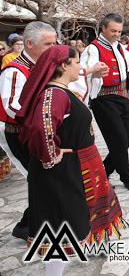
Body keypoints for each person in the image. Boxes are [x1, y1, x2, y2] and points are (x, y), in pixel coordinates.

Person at [16, 45, 126, 276]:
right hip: (61, 172)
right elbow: (41, 127)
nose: (80, 67)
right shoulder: (54, 94)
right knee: (59, 223)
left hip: (79, 165)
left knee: (72, 219)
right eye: (77, 62)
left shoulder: (61, 91)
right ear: (64, 66)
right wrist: (51, 156)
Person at [71, 13, 129, 192]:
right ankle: (127, 176)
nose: (116, 34)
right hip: (104, 98)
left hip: (121, 96)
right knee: (119, 140)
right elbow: (80, 70)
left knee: (125, 138)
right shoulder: (93, 49)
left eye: (119, 31)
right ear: (103, 28)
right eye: (113, 30)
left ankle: (102, 174)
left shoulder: (119, 47)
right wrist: (93, 71)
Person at [0, 21, 60, 241]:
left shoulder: (43, 67)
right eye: (48, 44)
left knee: (42, 178)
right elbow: (13, 106)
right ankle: (29, 226)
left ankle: (29, 224)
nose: (53, 49)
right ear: (29, 44)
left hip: (36, 131)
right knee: (40, 178)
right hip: (19, 133)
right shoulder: (15, 71)